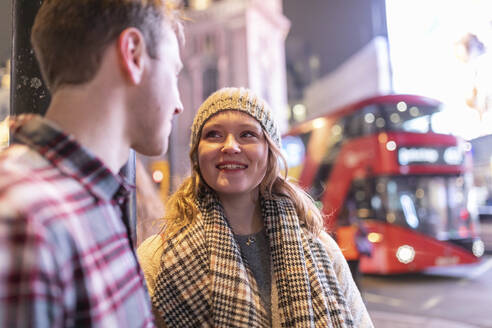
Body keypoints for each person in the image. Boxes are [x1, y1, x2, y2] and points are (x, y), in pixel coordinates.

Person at [0, 0, 183, 326]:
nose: (179, 104)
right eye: (174, 71)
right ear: (133, 55)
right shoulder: (21, 218)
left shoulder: (98, 199)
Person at [138, 87, 374, 327]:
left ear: (269, 151)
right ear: (197, 154)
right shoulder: (159, 258)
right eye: (214, 135)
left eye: (247, 134)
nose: (230, 146)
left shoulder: (321, 248)